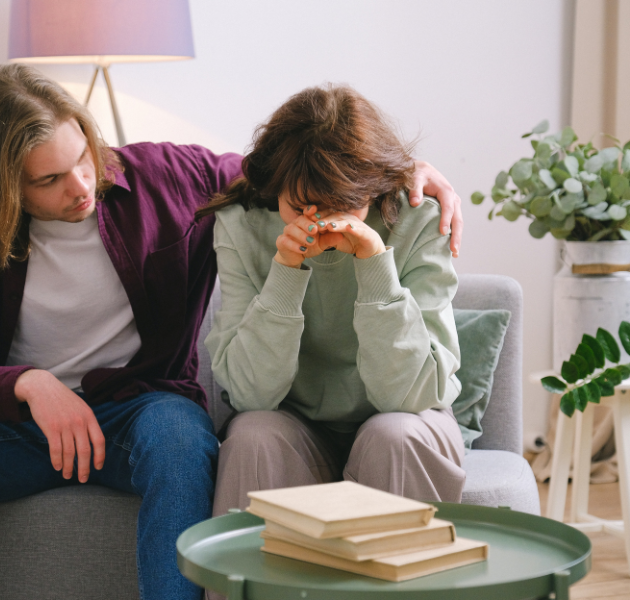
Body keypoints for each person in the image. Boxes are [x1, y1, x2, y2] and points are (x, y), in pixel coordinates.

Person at [0, 64, 462, 600]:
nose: (79, 185)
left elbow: (291, 173)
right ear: (1, 186)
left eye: (83, 157)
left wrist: (400, 172)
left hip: (138, 415)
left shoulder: (167, 176)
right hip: (20, 429)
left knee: (180, 437)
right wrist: (27, 385)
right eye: (48, 180)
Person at [200, 84, 467, 519]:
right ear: (276, 187)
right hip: (296, 426)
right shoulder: (240, 224)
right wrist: (285, 270)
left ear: (372, 187)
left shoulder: (421, 217)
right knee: (253, 435)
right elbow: (250, 393)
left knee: (394, 436)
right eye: (301, 205)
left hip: (407, 418)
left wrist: (376, 264)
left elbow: (415, 393)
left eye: (343, 205)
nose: (321, 222)